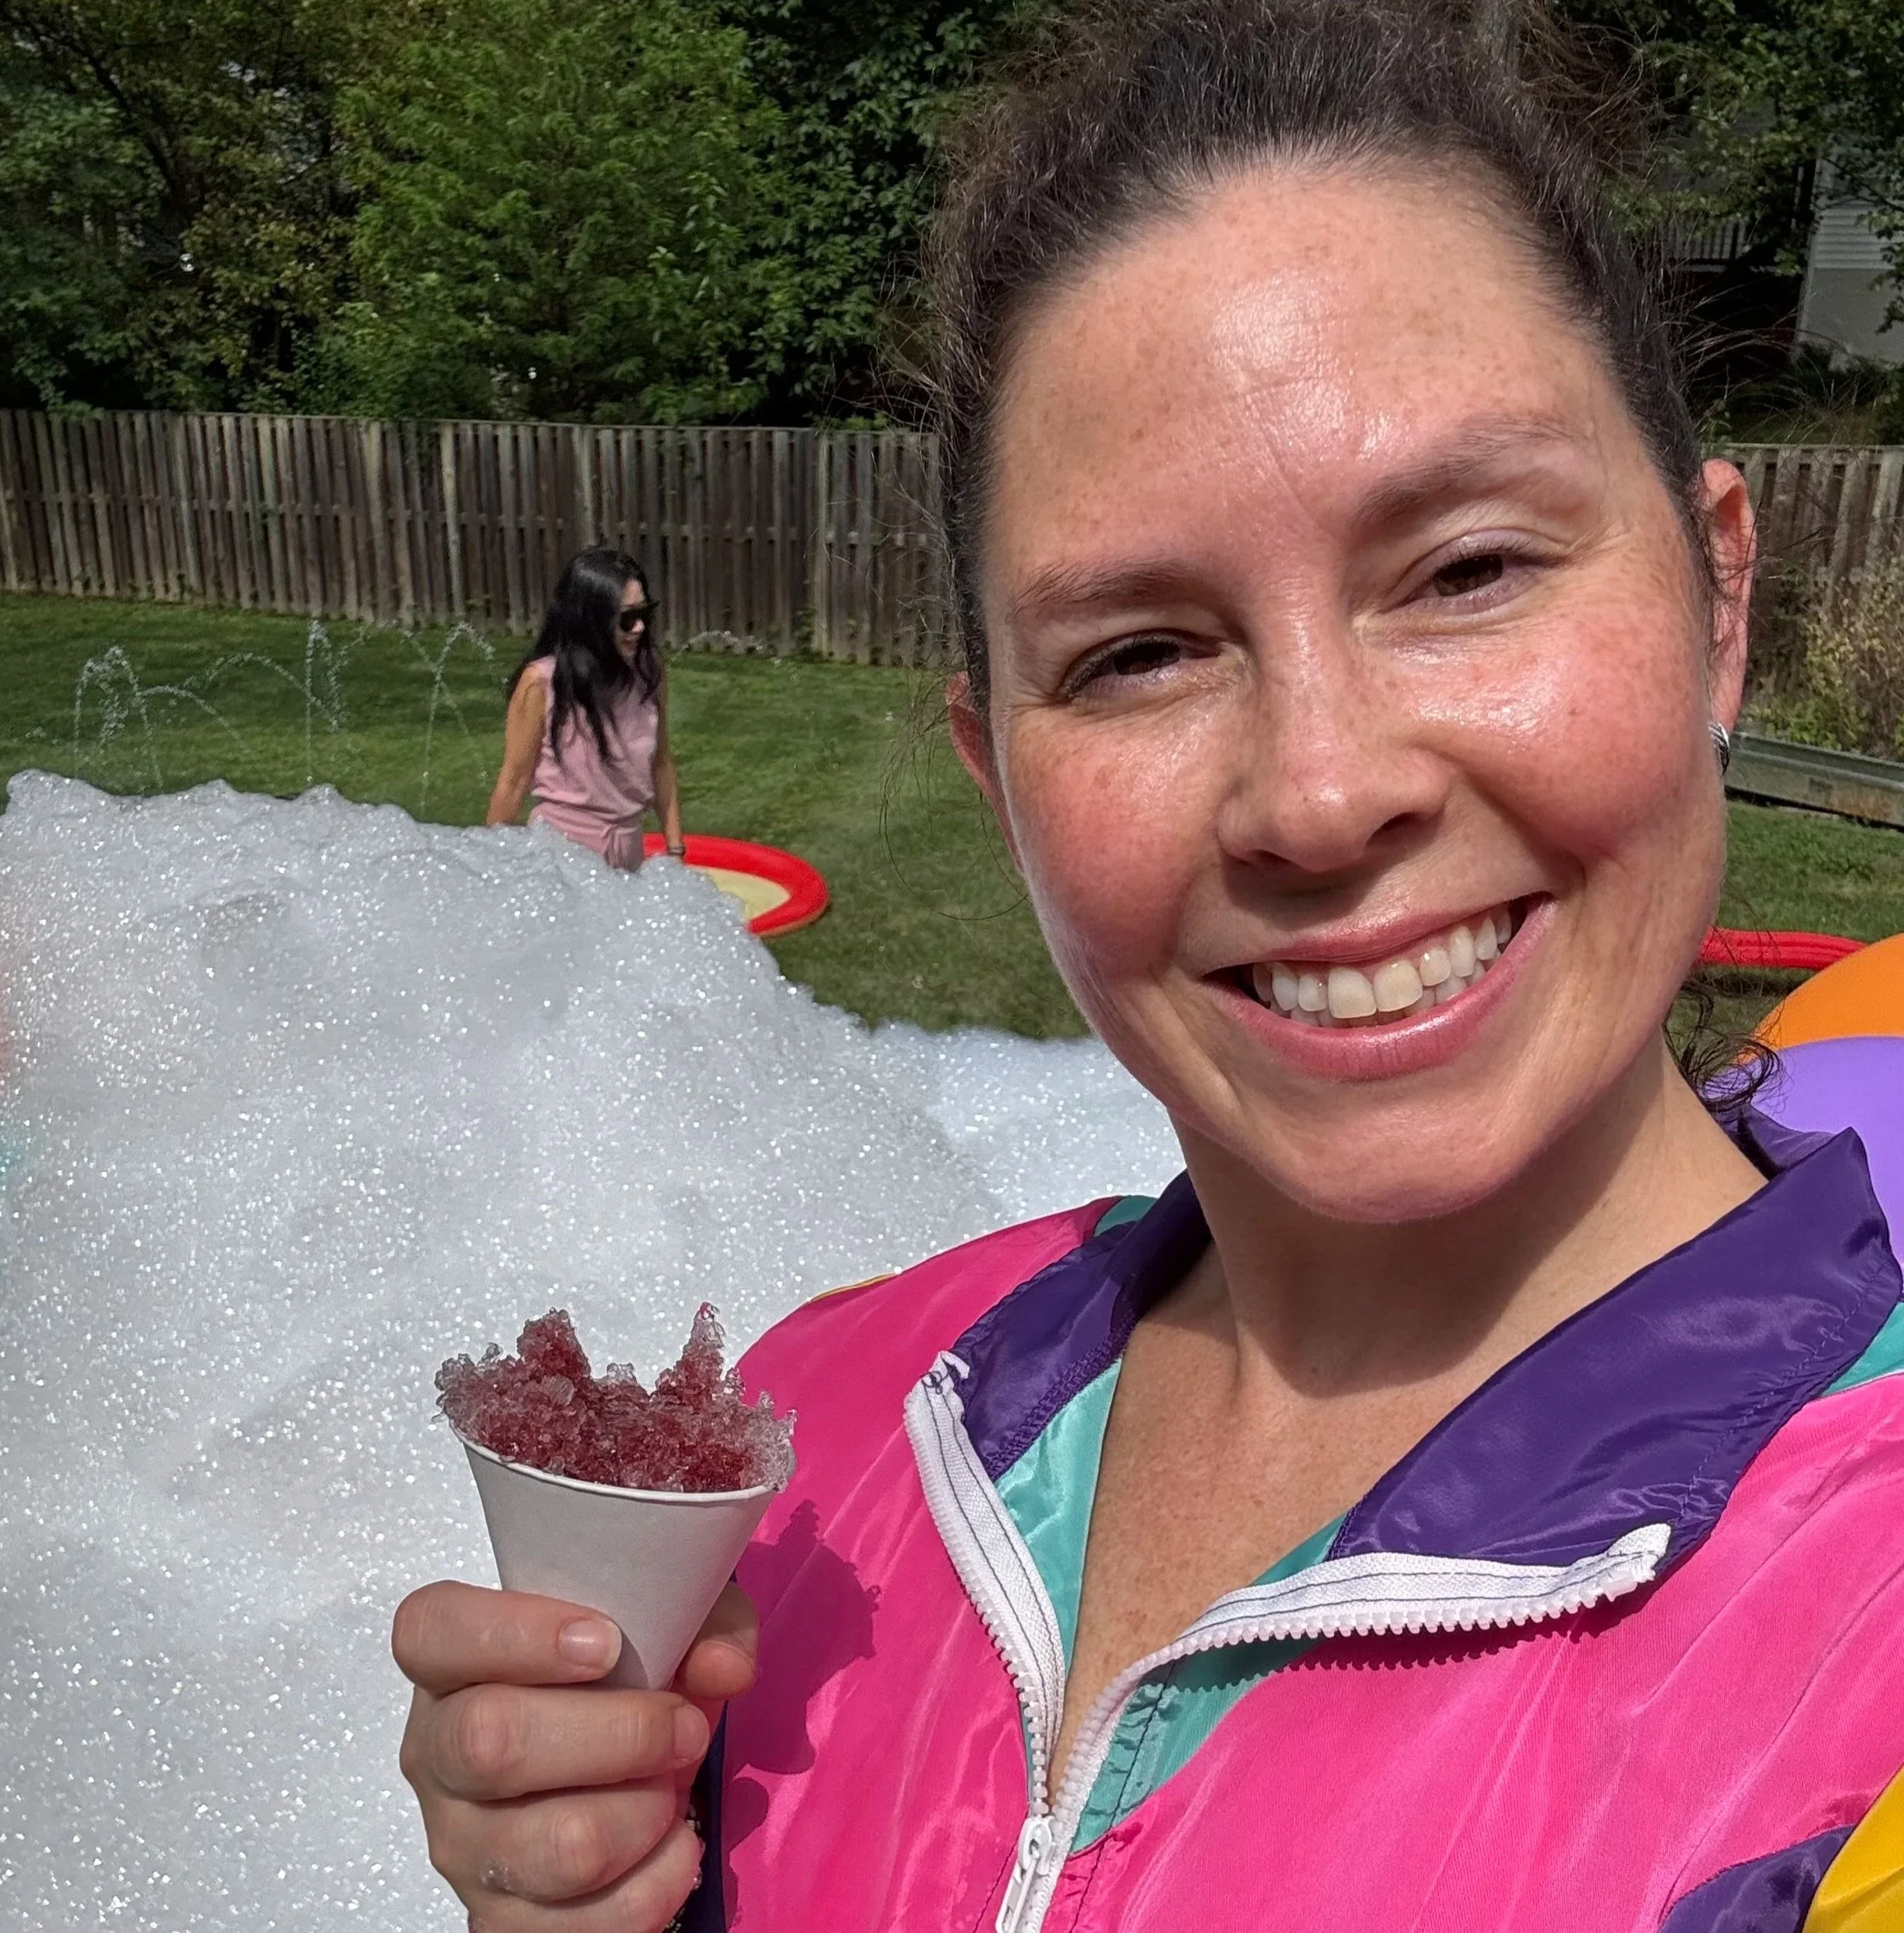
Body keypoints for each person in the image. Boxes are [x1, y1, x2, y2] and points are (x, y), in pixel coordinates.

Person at [393, 4, 1904, 1928]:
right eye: (1137, 655)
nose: (1322, 790)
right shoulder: (828, 1432)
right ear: (997, 776)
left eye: (1468, 571)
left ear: (1715, 602)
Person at [487, 547, 685, 870]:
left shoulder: (649, 674)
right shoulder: (541, 683)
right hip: (560, 855)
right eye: (627, 619)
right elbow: (513, 781)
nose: (639, 629)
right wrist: (491, 866)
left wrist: (675, 850)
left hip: (628, 848)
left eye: (644, 614)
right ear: (590, 622)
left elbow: (661, 764)